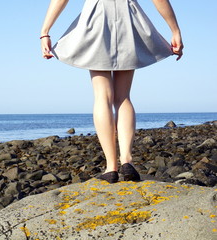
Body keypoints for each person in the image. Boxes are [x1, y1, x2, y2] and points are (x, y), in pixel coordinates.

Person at [40, 0, 183, 183]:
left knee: (102, 97)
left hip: (96, 17)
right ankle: (127, 161)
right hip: (128, 18)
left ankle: (111, 167)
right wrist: (175, 30)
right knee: (123, 97)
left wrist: (45, 31)